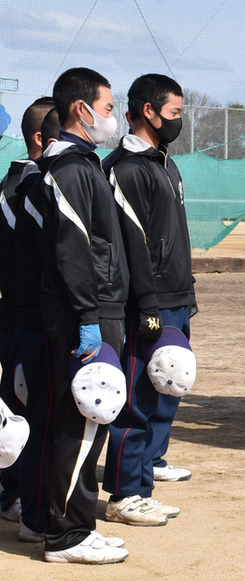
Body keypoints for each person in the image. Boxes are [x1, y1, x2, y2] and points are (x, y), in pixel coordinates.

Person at [41, 67, 129, 564]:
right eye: (109, 107)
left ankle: (78, 524)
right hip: (83, 315)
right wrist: (88, 316)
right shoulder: (72, 171)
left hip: (97, 308)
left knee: (91, 421)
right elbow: (74, 252)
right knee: (81, 420)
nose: (110, 117)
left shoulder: (85, 165)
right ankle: (66, 536)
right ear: (82, 109)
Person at [101, 73, 193, 526]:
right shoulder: (124, 168)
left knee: (165, 391)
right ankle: (123, 492)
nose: (179, 121)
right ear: (147, 110)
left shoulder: (164, 163)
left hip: (175, 297)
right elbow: (130, 246)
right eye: (174, 113)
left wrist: (185, 294)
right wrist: (149, 305)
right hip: (145, 303)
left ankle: (145, 478)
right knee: (135, 396)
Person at [0, 100, 56, 525]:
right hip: (23, 318)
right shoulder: (23, 187)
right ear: (41, 138)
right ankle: (16, 493)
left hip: (29, 316)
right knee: (22, 405)